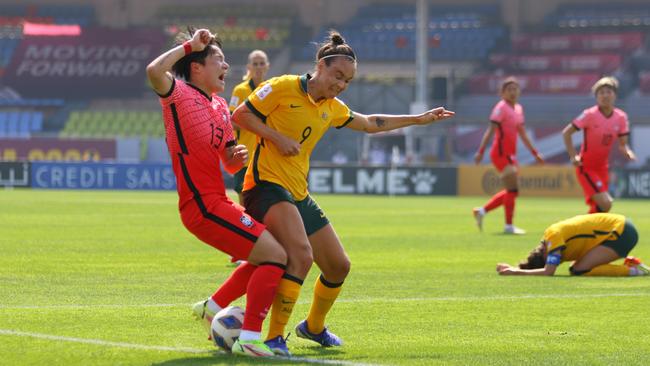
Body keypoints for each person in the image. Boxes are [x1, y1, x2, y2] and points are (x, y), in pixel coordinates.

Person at [231, 30, 454, 355]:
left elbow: (368, 122)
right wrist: (276, 137)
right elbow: (240, 115)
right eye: (337, 76)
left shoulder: (332, 107)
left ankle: (313, 327)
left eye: (347, 81)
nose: (340, 84)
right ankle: (273, 337)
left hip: (297, 192)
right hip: (265, 185)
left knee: (338, 266)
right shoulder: (282, 86)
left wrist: (418, 120)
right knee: (302, 256)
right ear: (320, 67)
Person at [146, 27, 287, 357]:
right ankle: (250, 339)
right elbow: (154, 70)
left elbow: (229, 163)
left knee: (272, 253)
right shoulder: (177, 95)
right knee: (276, 256)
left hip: (218, 201)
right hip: (201, 207)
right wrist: (189, 46)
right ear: (197, 67)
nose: (227, 66)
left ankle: (213, 306)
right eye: (219, 60)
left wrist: (236, 158)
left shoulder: (222, 106)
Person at [472, 77, 544, 234]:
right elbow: (490, 131)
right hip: (500, 154)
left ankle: (482, 211)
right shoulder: (501, 107)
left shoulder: (518, 109)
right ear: (502, 93)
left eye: (515, 89)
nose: (513, 92)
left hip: (511, 155)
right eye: (509, 89)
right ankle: (508, 226)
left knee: (512, 191)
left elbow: (523, 134)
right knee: (513, 189)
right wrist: (480, 151)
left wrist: (535, 153)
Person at [562, 76, 636, 213]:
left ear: (615, 95)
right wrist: (573, 156)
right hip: (586, 167)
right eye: (601, 92)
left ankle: (587, 232)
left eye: (609, 92)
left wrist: (627, 151)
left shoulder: (621, 117)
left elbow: (623, 144)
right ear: (596, 97)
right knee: (606, 203)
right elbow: (566, 133)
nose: (605, 95)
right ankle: (580, 229)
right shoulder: (589, 114)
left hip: (602, 168)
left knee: (600, 208)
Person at [496, 213, 649, 276]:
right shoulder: (551, 240)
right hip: (619, 228)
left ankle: (634, 270)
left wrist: (515, 272)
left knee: (579, 270)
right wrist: (516, 268)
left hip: (621, 232)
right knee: (576, 268)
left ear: (543, 250)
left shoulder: (552, 237)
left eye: (548, 256)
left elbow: (548, 272)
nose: (555, 258)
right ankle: (632, 264)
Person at [229, 50, 271, 204]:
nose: (258, 67)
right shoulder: (240, 91)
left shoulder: (271, 89)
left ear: (267, 66)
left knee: (264, 199)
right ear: (249, 66)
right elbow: (231, 121)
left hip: (265, 156)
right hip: (244, 155)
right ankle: (246, 227)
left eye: (261, 63)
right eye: (255, 64)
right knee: (244, 199)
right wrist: (253, 124)